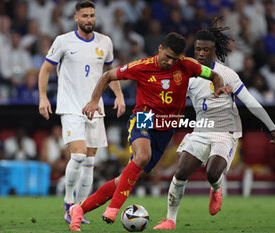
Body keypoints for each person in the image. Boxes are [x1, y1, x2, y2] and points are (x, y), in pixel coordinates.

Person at [69, 32, 231, 231]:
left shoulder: (188, 66)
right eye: (167, 56)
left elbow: (215, 75)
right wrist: (94, 101)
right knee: (143, 156)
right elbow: (108, 75)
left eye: (175, 59)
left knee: (122, 181)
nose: (170, 62)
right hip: (143, 119)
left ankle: (79, 210)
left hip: (167, 127)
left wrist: (218, 87)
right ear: (160, 49)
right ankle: (113, 208)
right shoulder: (142, 67)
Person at [153, 20, 275, 230]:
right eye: (197, 49)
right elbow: (168, 101)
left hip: (225, 132)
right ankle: (170, 220)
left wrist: (272, 128)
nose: (201, 53)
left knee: (212, 173)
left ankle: (216, 188)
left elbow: (250, 102)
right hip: (201, 129)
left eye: (206, 49)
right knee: (181, 172)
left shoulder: (228, 75)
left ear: (214, 50)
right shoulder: (187, 74)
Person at [38, 0, 125, 225]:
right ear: (76, 18)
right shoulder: (63, 41)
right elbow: (46, 69)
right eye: (84, 16)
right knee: (77, 155)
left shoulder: (105, 42)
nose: (89, 20)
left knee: (89, 162)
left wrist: (119, 95)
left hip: (95, 109)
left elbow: (109, 72)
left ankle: (80, 210)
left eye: (92, 15)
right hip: (70, 107)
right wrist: (43, 97)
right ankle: (68, 203)